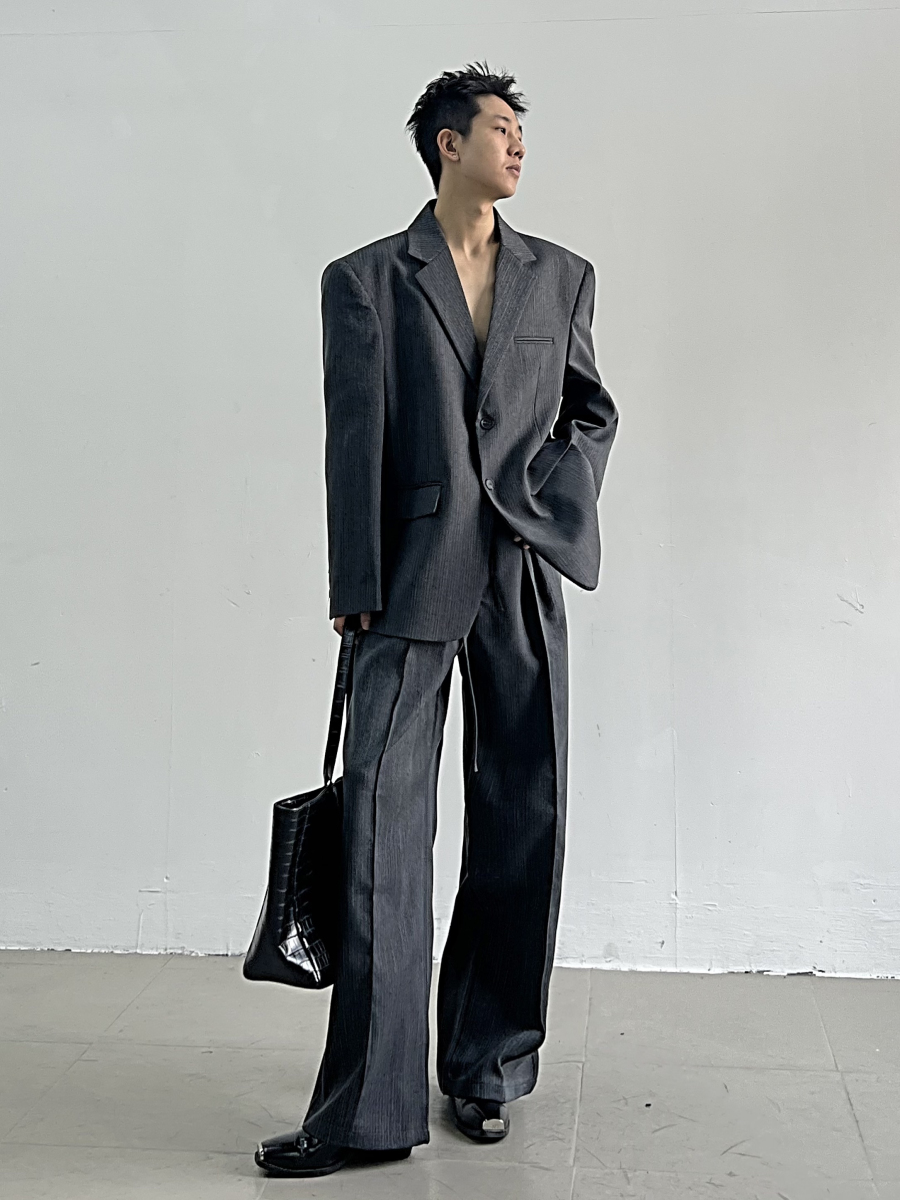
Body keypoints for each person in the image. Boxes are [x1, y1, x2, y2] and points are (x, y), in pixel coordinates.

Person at [255, 59, 618, 1179]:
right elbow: (351, 435)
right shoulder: (367, 279)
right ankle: (365, 1110)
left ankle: (486, 1068)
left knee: (523, 819)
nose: (519, 145)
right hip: (408, 577)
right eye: (501, 128)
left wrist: (548, 502)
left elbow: (591, 411)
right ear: (448, 145)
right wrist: (352, 582)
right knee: (380, 838)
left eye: (522, 130)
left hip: (521, 571)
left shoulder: (563, 276)